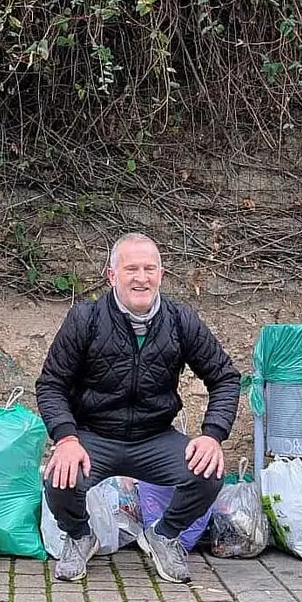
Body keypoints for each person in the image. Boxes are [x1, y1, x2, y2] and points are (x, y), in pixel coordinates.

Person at [36, 233, 240, 585]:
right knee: (59, 475)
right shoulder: (85, 319)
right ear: (112, 275)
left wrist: (212, 435)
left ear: (161, 274)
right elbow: (51, 383)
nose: (141, 278)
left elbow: (225, 377)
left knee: (210, 473)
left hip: (154, 437)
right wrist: (66, 438)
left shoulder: (180, 320)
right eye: (131, 268)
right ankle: (80, 536)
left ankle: (163, 536)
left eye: (149, 269)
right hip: (93, 436)